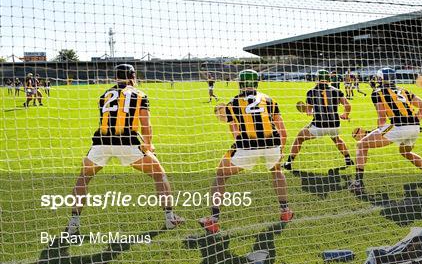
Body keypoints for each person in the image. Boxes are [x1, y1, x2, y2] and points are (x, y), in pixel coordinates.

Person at [65, 64, 184, 235]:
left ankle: (73, 224)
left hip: (101, 142)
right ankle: (170, 218)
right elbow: (146, 124)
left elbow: (110, 120)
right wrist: (148, 144)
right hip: (127, 142)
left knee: (83, 178)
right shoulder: (140, 94)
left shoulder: (104, 95)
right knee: (159, 174)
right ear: (131, 77)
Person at [198, 69, 292, 234]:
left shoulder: (233, 103)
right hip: (273, 145)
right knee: (277, 172)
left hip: (247, 146)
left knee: (221, 175)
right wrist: (281, 149)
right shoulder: (270, 100)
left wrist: (220, 112)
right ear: (256, 83)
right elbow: (283, 131)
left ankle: (212, 220)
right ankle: (285, 211)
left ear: (240, 83)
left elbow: (225, 121)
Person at [349, 68, 422, 196]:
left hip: (399, 128)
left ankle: (358, 183)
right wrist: (413, 122)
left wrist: (374, 131)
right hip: (415, 128)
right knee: (406, 152)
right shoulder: (404, 90)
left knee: (362, 144)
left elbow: (382, 118)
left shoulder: (377, 92)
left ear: (380, 79)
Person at [283, 69, 353, 170]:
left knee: (299, 138)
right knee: (336, 139)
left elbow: (309, 110)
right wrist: (345, 115)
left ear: (316, 78)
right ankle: (348, 159)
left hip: (319, 126)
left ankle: (288, 162)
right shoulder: (336, 91)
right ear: (328, 79)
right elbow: (347, 105)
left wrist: (308, 111)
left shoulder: (311, 92)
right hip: (335, 125)